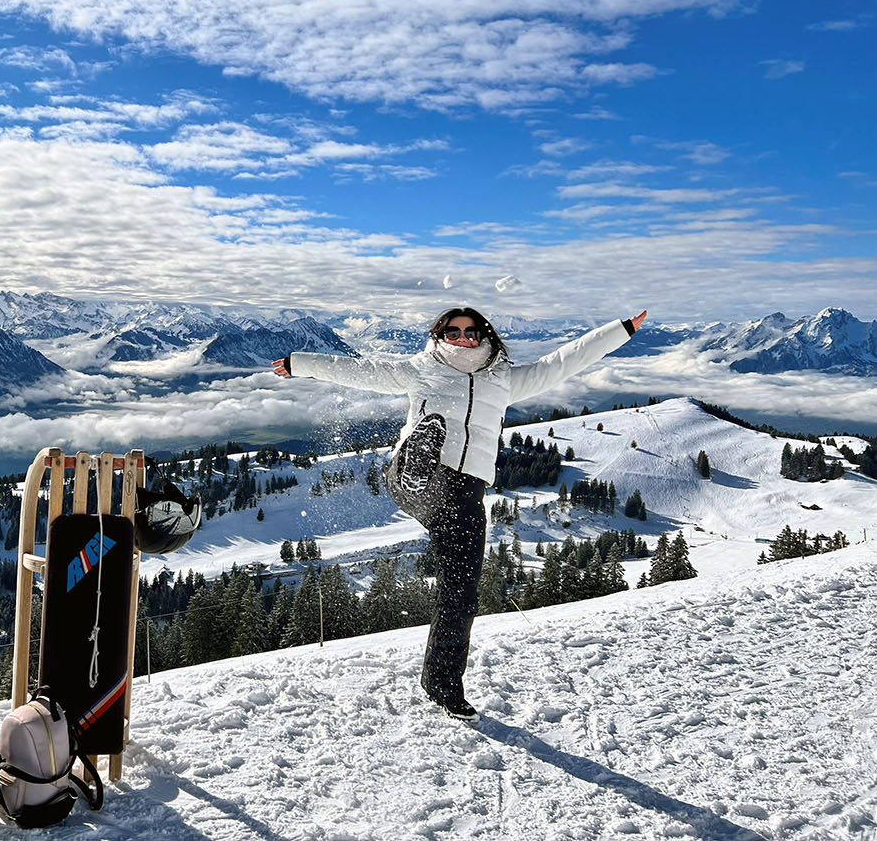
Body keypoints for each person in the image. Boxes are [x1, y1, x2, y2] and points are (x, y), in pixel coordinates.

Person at [272, 306, 646, 723]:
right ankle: (416, 464)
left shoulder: (503, 380)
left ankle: (442, 683)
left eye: (471, 331)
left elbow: (562, 362)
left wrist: (622, 330)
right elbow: (360, 371)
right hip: (418, 475)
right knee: (431, 433)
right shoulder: (421, 370)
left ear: (484, 334)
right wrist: (299, 363)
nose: (463, 337)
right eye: (453, 331)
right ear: (441, 334)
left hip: (465, 494)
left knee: (461, 590)